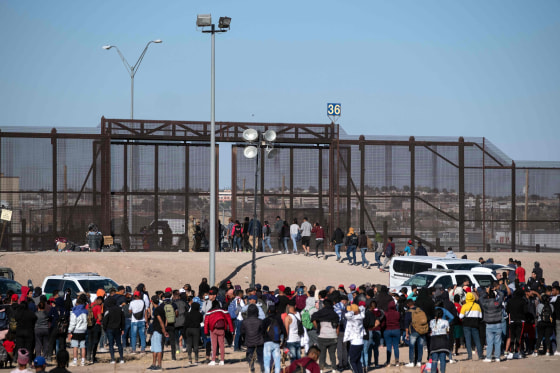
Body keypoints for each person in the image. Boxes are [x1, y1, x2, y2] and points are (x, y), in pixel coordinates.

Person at [204, 300, 233, 366]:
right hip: (222, 329)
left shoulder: (209, 312)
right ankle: (222, 360)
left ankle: (213, 360)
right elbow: (229, 320)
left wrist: (206, 331)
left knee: (214, 345)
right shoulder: (224, 311)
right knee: (221, 345)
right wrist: (231, 330)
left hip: (213, 329)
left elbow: (206, 322)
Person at [480, 285, 504, 362]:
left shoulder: (485, 304)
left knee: (489, 342)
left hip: (489, 325)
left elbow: (480, 298)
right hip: (498, 324)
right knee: (498, 342)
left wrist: (486, 293)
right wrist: (496, 290)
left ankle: (489, 357)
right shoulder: (498, 303)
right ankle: (497, 357)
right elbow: (502, 295)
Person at [459, 292, 483, 360]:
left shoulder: (464, 306)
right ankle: (480, 355)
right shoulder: (477, 306)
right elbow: (480, 316)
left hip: (466, 325)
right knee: (477, 340)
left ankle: (469, 356)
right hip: (475, 325)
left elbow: (460, 316)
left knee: (468, 340)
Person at [241, 304, 264, 373]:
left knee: (250, 356)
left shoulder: (245, 322)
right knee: (260, 356)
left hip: (249, 341)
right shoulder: (260, 321)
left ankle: (252, 367)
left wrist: (244, 339)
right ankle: (262, 368)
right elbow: (263, 331)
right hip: (259, 342)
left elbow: (242, 332)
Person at [263, 305, 286, 373]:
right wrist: (284, 340)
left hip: (267, 342)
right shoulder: (279, 320)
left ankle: (267, 371)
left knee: (267, 359)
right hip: (276, 341)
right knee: (277, 360)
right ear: (276, 311)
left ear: (269, 311)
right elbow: (283, 331)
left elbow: (261, 331)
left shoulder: (265, 320)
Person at [404, 299, 427, 367]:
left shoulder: (409, 312)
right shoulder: (420, 310)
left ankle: (411, 362)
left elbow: (406, 323)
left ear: (408, 305)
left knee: (411, 347)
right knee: (420, 346)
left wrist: (407, 333)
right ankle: (419, 362)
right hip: (422, 330)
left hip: (413, 331)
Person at [102, 296, 125, 364]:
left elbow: (105, 320)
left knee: (111, 344)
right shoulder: (120, 309)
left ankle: (112, 359)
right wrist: (122, 328)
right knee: (119, 344)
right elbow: (123, 320)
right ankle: (121, 358)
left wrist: (104, 328)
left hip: (109, 329)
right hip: (118, 329)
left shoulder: (108, 310)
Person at [67, 295, 88, 367]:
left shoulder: (74, 312)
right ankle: (83, 361)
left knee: (75, 347)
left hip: (76, 331)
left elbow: (73, 323)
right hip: (83, 331)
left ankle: (75, 361)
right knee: (83, 347)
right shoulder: (85, 311)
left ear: (76, 303)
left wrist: (69, 331)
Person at [343, 304, 364, 373]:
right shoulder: (361, 317)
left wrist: (353, 311)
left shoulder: (352, 319)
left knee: (351, 361)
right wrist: (357, 310)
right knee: (357, 360)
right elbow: (362, 308)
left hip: (355, 342)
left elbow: (347, 315)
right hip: (360, 341)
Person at [429, 308, 450, 373]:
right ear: (442, 314)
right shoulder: (446, 322)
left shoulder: (431, 322)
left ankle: (433, 371)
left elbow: (431, 330)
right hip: (443, 341)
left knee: (434, 359)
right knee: (443, 359)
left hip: (434, 341)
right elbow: (448, 331)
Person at [129, 290, 147, 355]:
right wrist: (146, 321)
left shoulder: (132, 303)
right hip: (142, 320)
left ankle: (133, 350)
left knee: (133, 335)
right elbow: (145, 312)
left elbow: (130, 311)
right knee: (142, 335)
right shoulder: (143, 302)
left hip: (134, 321)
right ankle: (143, 350)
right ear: (139, 295)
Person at [384, 301, 401, 366]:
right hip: (396, 329)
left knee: (388, 347)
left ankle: (388, 362)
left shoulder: (386, 313)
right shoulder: (397, 313)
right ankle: (397, 361)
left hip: (387, 330)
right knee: (396, 346)